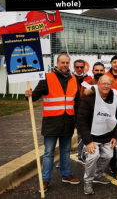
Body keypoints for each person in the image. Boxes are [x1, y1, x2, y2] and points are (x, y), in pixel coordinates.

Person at [24, 54, 81, 193]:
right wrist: (29, 95)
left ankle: (66, 175)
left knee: (65, 151)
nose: (65, 65)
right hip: (51, 123)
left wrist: (78, 120)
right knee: (49, 152)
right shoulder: (47, 77)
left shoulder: (74, 79)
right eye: (62, 62)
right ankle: (45, 179)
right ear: (57, 63)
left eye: (67, 62)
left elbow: (77, 101)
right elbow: (36, 94)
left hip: (68, 122)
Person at [77, 76, 117, 195]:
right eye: (103, 84)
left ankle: (97, 174)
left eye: (108, 84)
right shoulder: (89, 99)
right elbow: (81, 121)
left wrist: (115, 136)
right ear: (98, 84)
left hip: (107, 136)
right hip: (92, 137)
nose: (106, 86)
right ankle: (88, 181)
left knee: (108, 155)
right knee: (93, 156)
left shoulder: (115, 98)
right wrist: (88, 141)